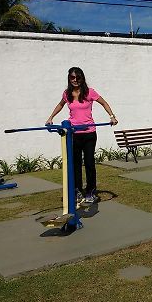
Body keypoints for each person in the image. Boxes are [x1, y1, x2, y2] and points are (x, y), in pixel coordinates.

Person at [46, 67, 118, 204]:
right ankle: (78, 191)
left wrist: (112, 116)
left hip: (89, 133)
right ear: (69, 78)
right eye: (72, 78)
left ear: (82, 78)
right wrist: (50, 117)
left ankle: (91, 191)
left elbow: (103, 102)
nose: (75, 80)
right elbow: (60, 105)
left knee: (90, 163)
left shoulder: (90, 92)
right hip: (74, 134)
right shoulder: (66, 94)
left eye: (78, 78)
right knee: (76, 164)